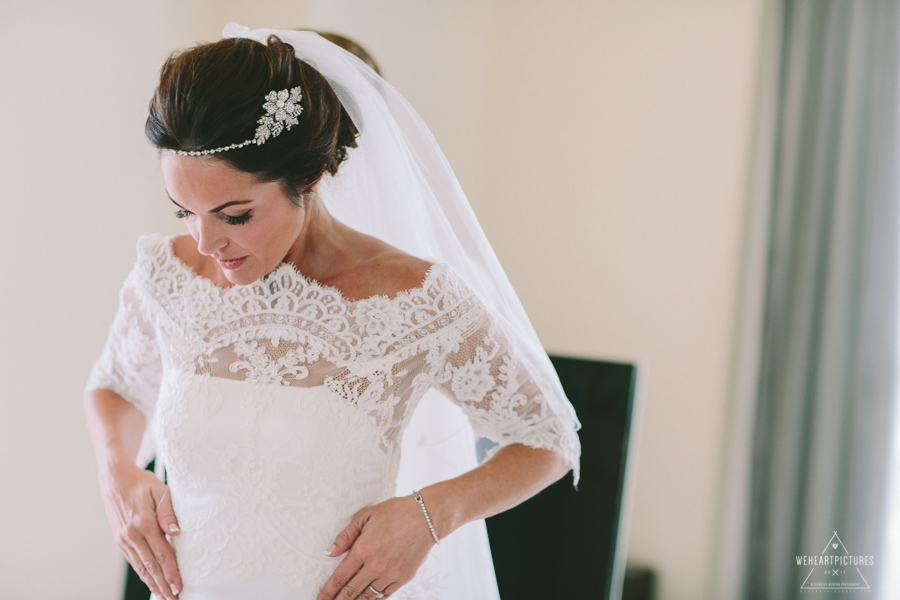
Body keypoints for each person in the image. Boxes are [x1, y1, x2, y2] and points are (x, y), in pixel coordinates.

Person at [84, 23, 581, 600]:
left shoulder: (412, 297)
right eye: (184, 213)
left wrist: (430, 515)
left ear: (310, 178)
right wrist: (115, 470)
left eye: (235, 215)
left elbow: (547, 439)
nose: (206, 243)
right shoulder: (169, 276)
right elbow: (116, 384)